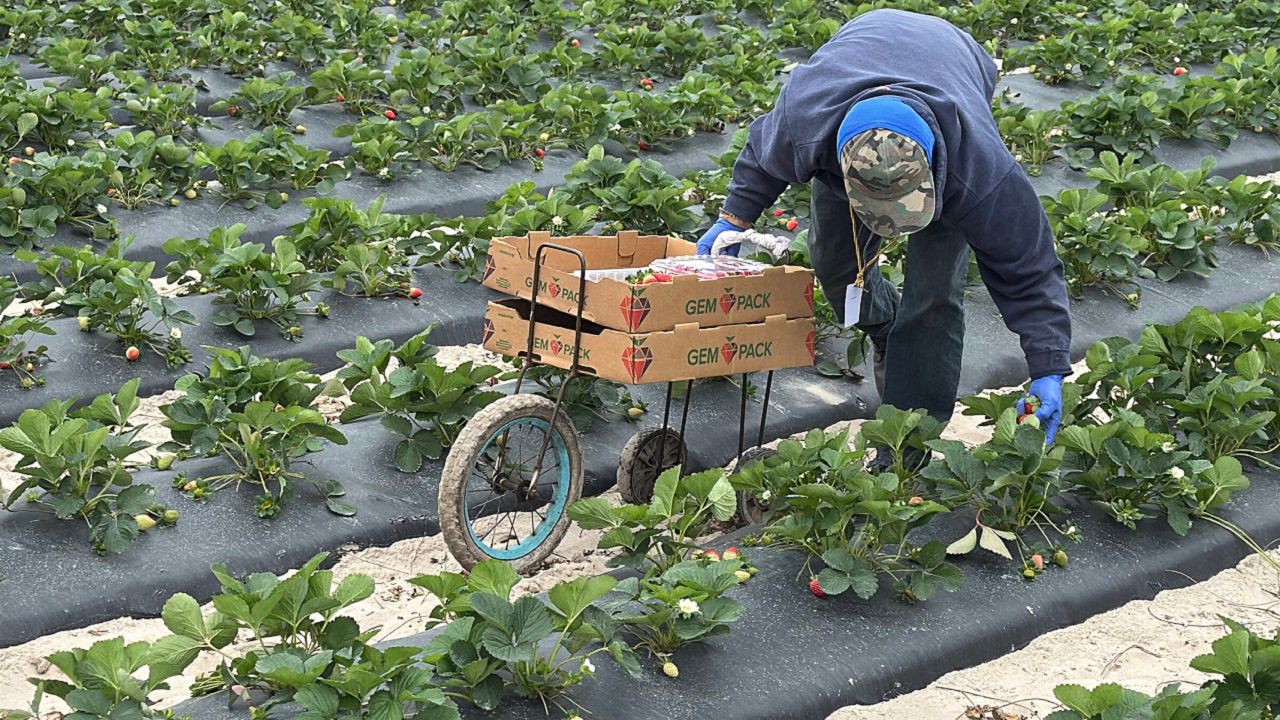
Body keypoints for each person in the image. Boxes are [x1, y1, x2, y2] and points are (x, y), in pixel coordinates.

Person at [698, 9, 1072, 444]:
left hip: (954, 58)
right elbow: (763, 160)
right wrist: (732, 219)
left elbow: (1028, 268)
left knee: (933, 298)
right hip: (866, 43)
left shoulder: (980, 173)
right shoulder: (806, 120)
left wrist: (1048, 367)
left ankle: (907, 445)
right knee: (835, 263)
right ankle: (888, 332)